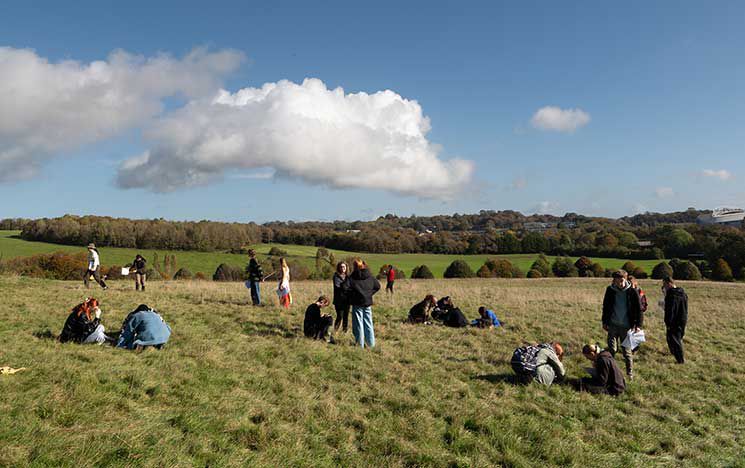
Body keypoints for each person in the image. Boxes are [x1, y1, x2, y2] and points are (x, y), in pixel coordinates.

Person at [601, 269, 643, 380]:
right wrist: (604, 322)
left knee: (627, 352)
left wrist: (638, 325)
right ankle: (611, 372)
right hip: (612, 325)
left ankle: (630, 374)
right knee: (612, 350)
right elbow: (606, 307)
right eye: (616, 280)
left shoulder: (632, 292)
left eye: (620, 280)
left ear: (625, 279)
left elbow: (639, 309)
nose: (619, 283)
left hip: (626, 326)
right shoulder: (610, 290)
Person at [347, 259, 380, 348]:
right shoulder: (370, 276)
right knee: (369, 323)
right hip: (367, 302)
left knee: (358, 325)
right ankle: (371, 344)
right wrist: (369, 294)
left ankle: (359, 344)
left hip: (357, 303)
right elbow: (377, 286)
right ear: (364, 265)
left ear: (354, 266)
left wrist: (352, 296)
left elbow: (345, 287)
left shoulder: (352, 277)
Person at [662, 276, 688, 364]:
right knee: (675, 338)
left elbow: (670, 310)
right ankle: (674, 353)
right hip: (682, 319)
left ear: (669, 283)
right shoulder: (683, 293)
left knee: (675, 340)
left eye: (664, 284)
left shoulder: (672, 295)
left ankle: (680, 360)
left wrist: (668, 322)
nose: (664, 287)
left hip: (673, 321)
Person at [332, 262, 351, 332]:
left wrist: (346, 287)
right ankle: (335, 330)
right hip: (338, 300)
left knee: (346, 317)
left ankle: (344, 330)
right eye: (341, 267)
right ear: (339, 268)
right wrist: (347, 286)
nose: (343, 268)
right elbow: (338, 287)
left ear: (346, 268)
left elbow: (350, 286)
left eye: (344, 267)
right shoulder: (336, 276)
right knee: (340, 316)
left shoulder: (348, 276)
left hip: (347, 300)